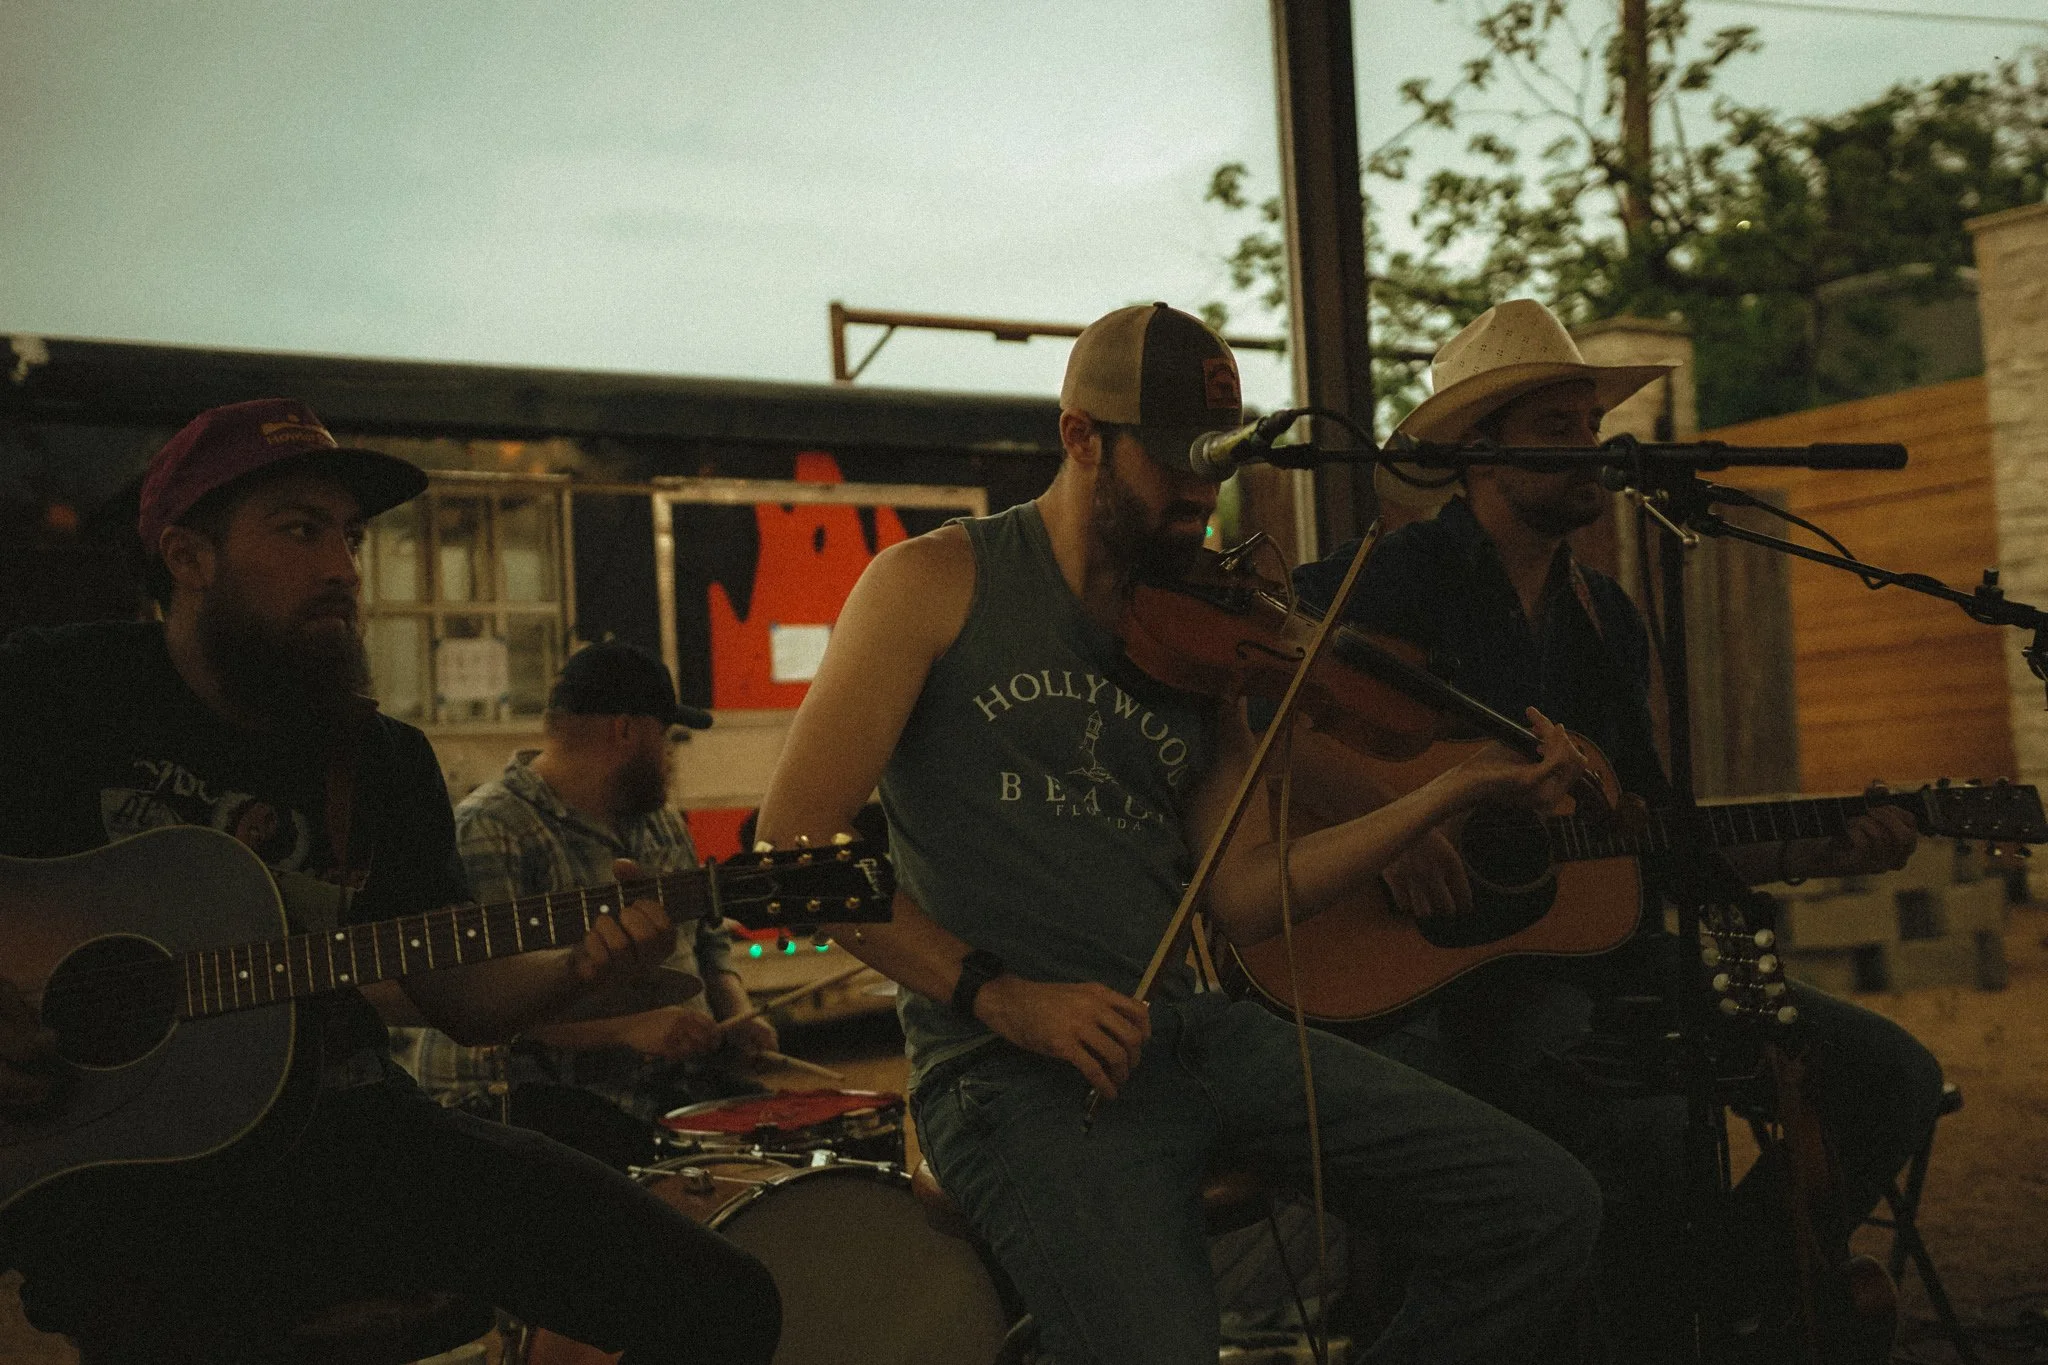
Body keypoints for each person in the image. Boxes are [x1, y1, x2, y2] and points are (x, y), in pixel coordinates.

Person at [757, 302, 1606, 1365]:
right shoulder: (933, 584)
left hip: (1194, 1034)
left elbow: (1246, 892)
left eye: (1215, 470)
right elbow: (790, 849)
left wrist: (1440, 797)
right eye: (1173, 467)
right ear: (1080, 438)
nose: (1198, 501)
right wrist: (1002, 996)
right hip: (1007, 1072)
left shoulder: (1201, 630)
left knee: (1540, 1207)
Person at [0, 400, 779, 1364]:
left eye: (351, 535)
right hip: (118, 1175)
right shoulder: (53, 692)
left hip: (347, 1136)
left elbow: (461, 998)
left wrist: (579, 966)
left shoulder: (379, 762)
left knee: (724, 1299)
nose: (342, 567)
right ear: (187, 556)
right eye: (298, 528)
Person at [1293, 299, 1946, 1360]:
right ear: (1472, 451)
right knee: (1636, 1125)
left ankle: (1720, 1302)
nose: (1587, 448)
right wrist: (1398, 821)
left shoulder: (1604, 615)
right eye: (1553, 428)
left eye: (1586, 422)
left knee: (1888, 1077)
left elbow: (1642, 831)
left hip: (1588, 953)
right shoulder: (1401, 574)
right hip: (1432, 970)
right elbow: (1247, 704)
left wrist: (1810, 848)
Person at [384, 640, 778, 1171]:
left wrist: (735, 1010)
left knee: (778, 1143)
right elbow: (478, 997)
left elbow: (707, 938)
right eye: (666, 740)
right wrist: (627, 1026)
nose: (668, 759)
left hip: (652, 1090)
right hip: (518, 1102)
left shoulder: (659, 821)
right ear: (626, 730)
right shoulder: (491, 827)